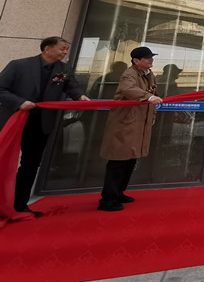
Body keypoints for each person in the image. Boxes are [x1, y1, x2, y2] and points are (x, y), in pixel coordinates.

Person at [0, 36, 90, 216]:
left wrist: (80, 96)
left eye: (67, 49)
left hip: (41, 123)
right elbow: (1, 89)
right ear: (47, 48)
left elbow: (72, 86)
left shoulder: (63, 69)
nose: (65, 52)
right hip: (14, 120)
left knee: (31, 163)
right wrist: (19, 102)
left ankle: (20, 204)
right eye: (62, 48)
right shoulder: (19, 65)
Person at [98, 47, 163, 212]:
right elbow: (129, 89)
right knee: (118, 161)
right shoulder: (129, 74)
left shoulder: (149, 74)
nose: (151, 60)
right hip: (126, 123)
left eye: (151, 57)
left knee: (130, 159)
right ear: (136, 60)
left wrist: (152, 115)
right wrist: (149, 97)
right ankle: (108, 199)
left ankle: (119, 192)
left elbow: (153, 93)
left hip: (139, 123)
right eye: (147, 58)